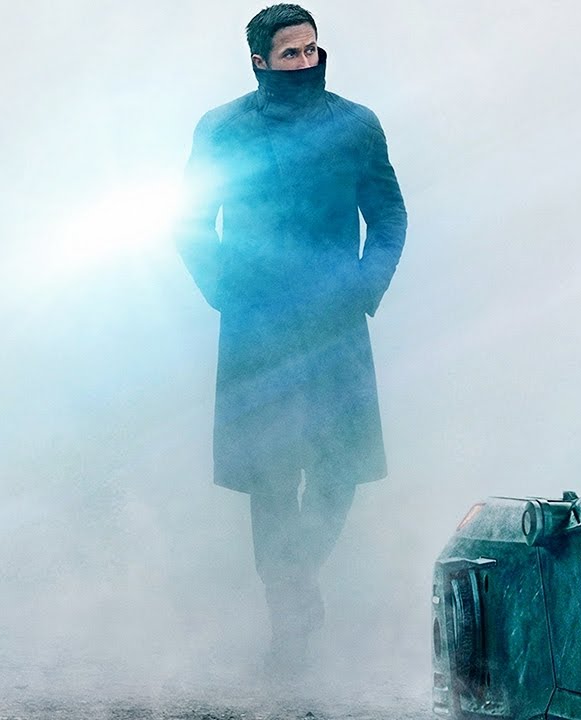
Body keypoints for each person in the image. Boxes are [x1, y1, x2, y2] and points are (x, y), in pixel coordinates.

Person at [175, 3, 407, 674]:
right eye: (291, 54)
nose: (306, 62)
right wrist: (228, 291)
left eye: (312, 50)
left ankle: (296, 575)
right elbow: (191, 220)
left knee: (339, 465)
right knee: (272, 475)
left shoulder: (355, 124)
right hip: (259, 330)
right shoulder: (222, 128)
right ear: (260, 62)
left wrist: (364, 287)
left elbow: (388, 214)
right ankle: (289, 632)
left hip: (335, 324)